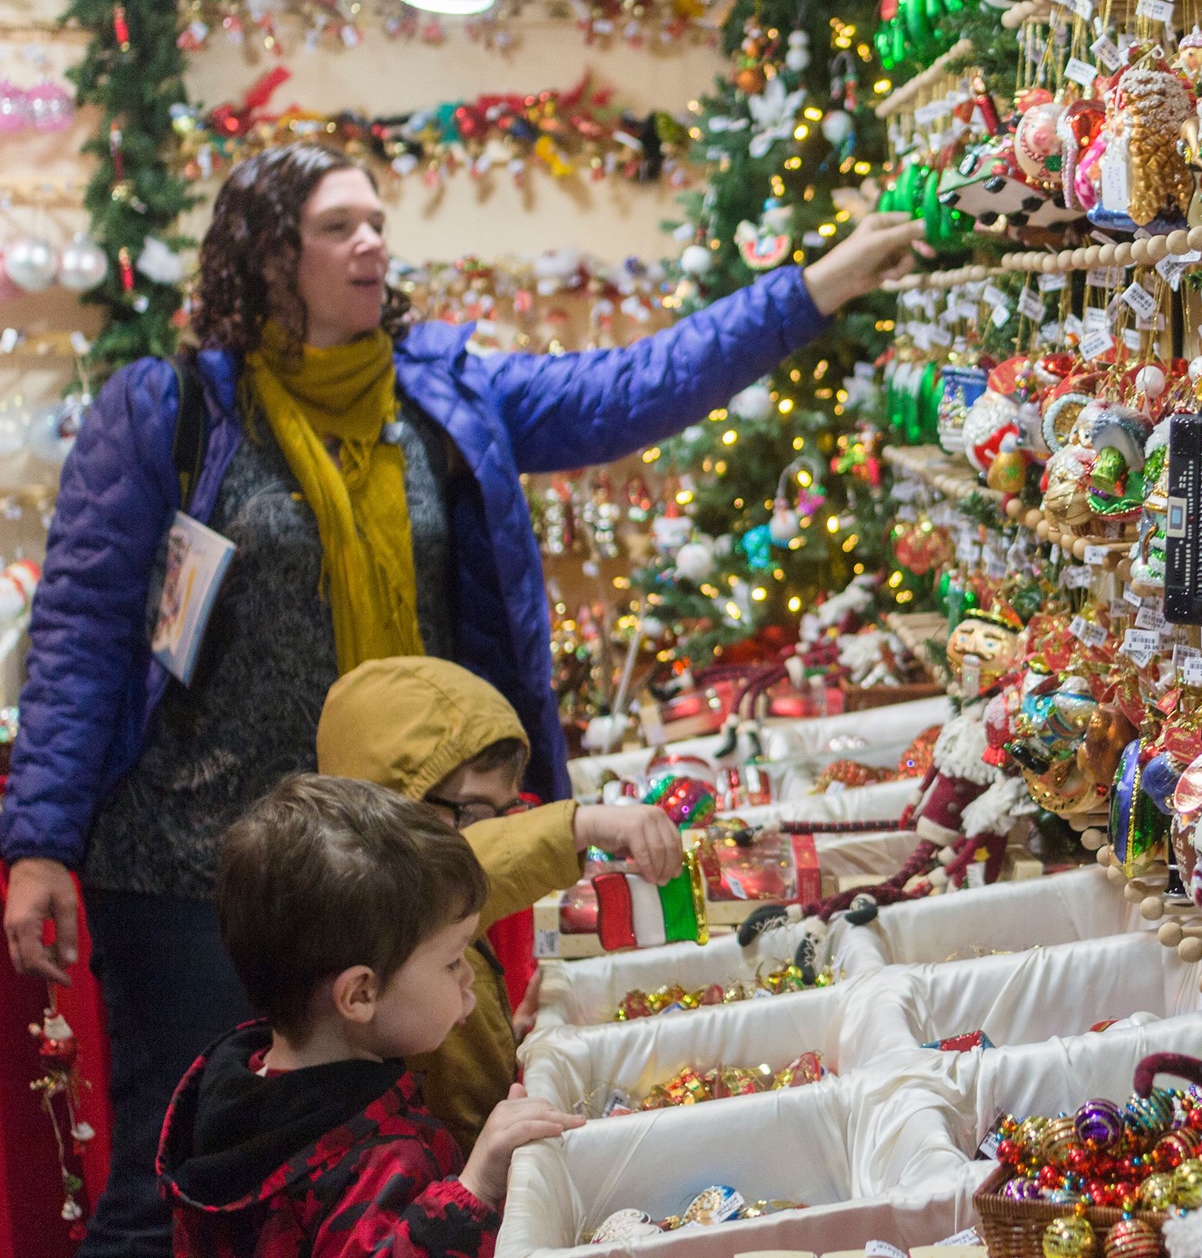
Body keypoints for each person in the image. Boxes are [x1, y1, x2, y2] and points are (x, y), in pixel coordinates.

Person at [0, 141, 919, 1258]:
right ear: (266, 254)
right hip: (194, 876)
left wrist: (810, 289)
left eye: (378, 220)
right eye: (339, 225)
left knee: (374, 1171)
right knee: (184, 1184)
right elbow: (84, 624)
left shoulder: (443, 394)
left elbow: (628, 388)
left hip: (392, 867)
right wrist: (41, 841)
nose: (373, 242)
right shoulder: (170, 409)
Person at [158, 774, 585, 1258]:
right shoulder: (368, 1158)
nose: (469, 978)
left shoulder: (238, 1090)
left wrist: (512, 1038)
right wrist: (475, 1189)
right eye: (452, 960)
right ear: (359, 994)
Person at [316, 654, 673, 1152]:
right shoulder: (381, 910)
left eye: (509, 811)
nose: (502, 827)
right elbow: (450, 869)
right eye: (479, 812)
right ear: (394, 810)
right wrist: (579, 825)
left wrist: (510, 1036)